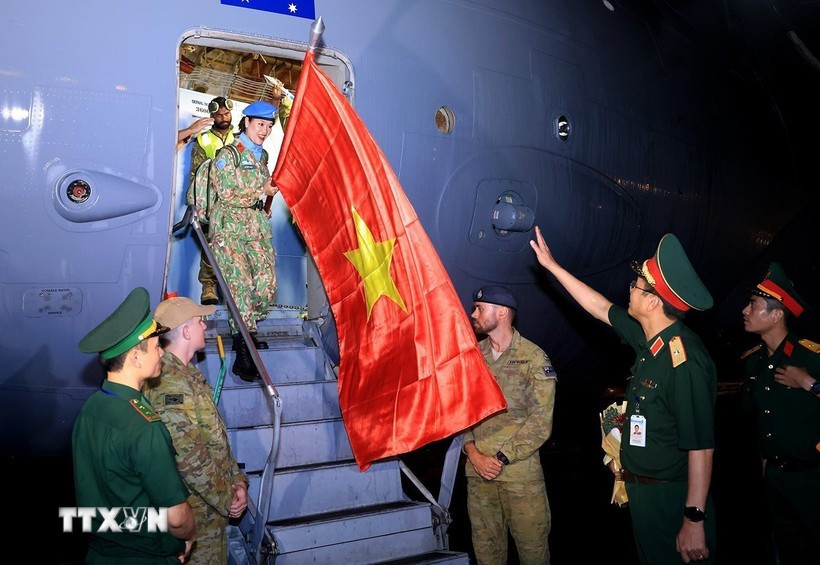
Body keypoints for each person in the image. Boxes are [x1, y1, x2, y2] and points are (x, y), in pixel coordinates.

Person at [530, 227, 717, 565]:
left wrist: (694, 519)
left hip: (671, 499)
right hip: (642, 493)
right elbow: (600, 307)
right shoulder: (649, 339)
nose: (629, 288)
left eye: (637, 285)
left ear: (652, 301)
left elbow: (701, 446)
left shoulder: (685, 361)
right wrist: (553, 267)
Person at [73, 287, 197, 563]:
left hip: (100, 554)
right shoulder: (144, 425)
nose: (162, 354)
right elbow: (176, 518)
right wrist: (189, 535)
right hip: (145, 556)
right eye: (155, 347)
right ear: (136, 357)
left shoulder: (90, 410)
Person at [144, 296, 249, 564]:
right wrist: (227, 497)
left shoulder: (187, 374)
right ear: (186, 331)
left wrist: (237, 480)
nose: (205, 327)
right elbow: (188, 457)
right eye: (200, 322)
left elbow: (214, 440)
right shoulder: (169, 383)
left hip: (209, 508)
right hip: (195, 515)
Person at [462, 285, 556, 565]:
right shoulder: (472, 358)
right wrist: (473, 453)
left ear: (502, 313)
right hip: (479, 476)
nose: (472, 313)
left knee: (533, 555)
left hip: (520, 478)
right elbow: (460, 412)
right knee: (487, 556)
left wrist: (501, 458)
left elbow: (540, 422)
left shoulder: (533, 358)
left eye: (479, 308)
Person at [738, 262, 820, 564]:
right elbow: (760, 418)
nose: (744, 311)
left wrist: (809, 383)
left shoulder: (811, 357)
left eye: (753, 305)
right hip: (775, 479)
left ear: (776, 315)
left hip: (812, 477)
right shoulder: (753, 363)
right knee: (786, 553)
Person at [209, 100, 279, 381]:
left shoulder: (262, 157)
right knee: (240, 288)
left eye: (270, 126)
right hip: (229, 229)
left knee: (266, 284)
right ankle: (244, 351)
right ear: (247, 123)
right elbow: (225, 193)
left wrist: (264, 200)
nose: (265, 130)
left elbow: (261, 192)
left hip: (254, 226)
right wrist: (259, 189)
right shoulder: (228, 154)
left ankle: (247, 329)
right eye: (260, 124)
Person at [188, 96, 236, 306]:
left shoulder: (241, 137)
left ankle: (235, 287)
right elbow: (195, 175)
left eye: (226, 114)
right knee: (211, 243)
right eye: (219, 115)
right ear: (212, 116)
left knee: (235, 246)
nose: (224, 118)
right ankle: (208, 286)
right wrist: (196, 204)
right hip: (211, 201)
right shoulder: (203, 140)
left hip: (236, 201)